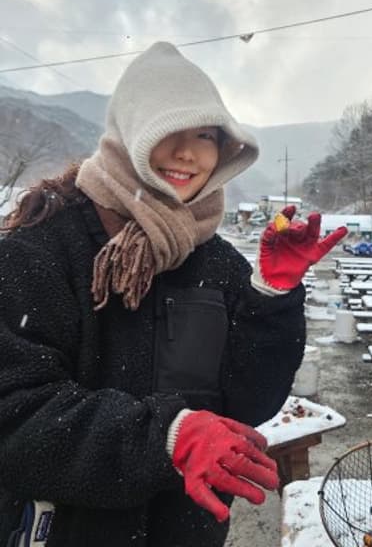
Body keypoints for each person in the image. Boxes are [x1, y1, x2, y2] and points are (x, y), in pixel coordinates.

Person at [0, 42, 347, 547]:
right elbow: (15, 416)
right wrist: (167, 438)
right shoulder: (40, 250)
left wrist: (272, 296)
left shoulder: (218, 263)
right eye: (168, 130)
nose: (188, 153)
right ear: (130, 132)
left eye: (206, 135)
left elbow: (248, 404)